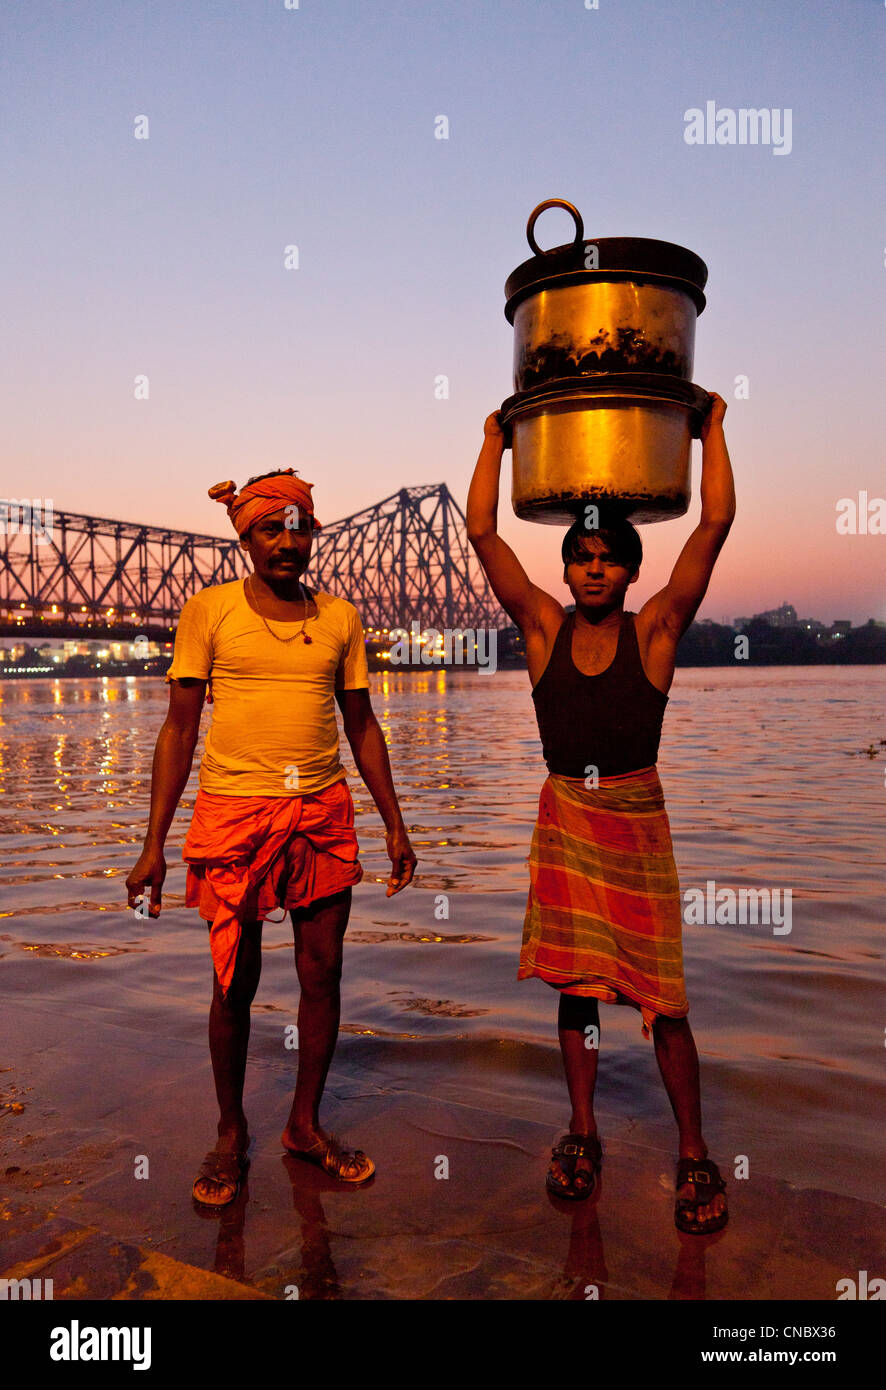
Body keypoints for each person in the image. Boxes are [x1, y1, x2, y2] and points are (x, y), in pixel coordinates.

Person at [466, 394, 734, 1233]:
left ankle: (693, 1150)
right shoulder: (540, 629)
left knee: (666, 998)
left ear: (628, 572)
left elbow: (712, 527)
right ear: (566, 569)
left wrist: (711, 431)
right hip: (566, 823)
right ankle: (583, 1132)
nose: (591, 570)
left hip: (635, 820)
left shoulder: (655, 632)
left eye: (606, 559)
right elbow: (482, 534)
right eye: (579, 557)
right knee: (577, 992)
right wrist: (493, 442)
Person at [125, 469, 417, 1206]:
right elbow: (179, 727)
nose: (288, 542)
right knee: (233, 982)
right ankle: (230, 1135)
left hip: (321, 813)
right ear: (247, 537)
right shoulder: (209, 612)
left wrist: (395, 822)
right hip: (233, 817)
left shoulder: (342, 619)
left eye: (300, 527)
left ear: (314, 531)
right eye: (270, 529)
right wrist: (152, 843)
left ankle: (304, 1127)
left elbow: (362, 725)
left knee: (323, 974)